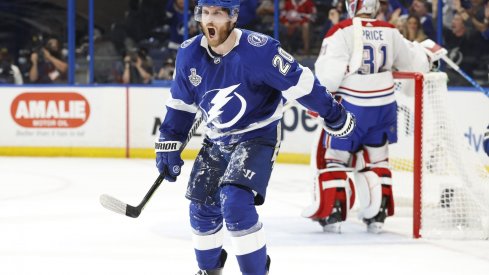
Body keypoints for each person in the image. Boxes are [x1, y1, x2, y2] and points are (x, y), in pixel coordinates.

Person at [155, 0, 355, 274]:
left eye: (217, 14)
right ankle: (209, 270)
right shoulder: (189, 54)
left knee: (235, 202)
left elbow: (301, 84)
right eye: (205, 13)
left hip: (257, 136)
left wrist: (333, 114)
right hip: (216, 138)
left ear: (233, 17)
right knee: (201, 207)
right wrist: (168, 144)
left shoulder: (260, 51)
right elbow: (181, 105)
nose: (210, 21)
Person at [302, 0, 440, 234]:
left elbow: (329, 77)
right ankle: (378, 213)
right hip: (385, 105)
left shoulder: (341, 30)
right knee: (378, 158)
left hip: (352, 106)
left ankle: (333, 211)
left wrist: (318, 102)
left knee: (333, 157)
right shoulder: (390, 29)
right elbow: (410, 62)